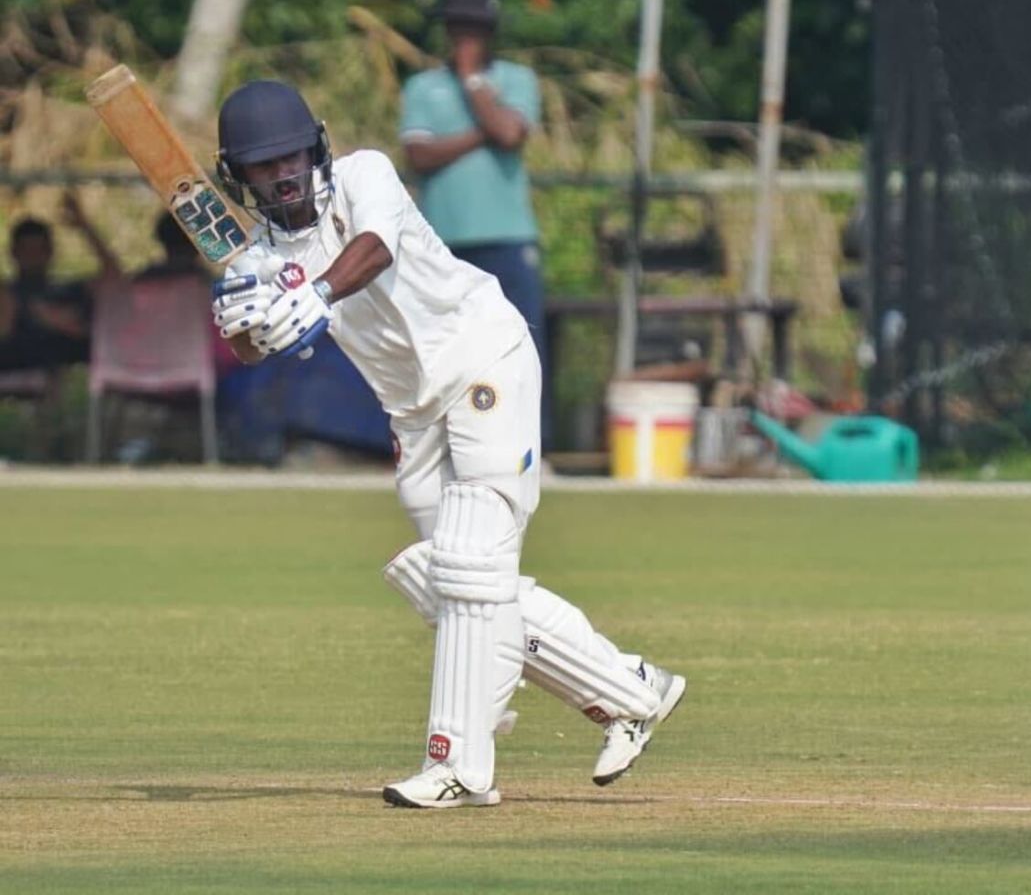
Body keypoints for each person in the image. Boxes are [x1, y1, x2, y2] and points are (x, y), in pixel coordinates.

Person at [210, 79, 685, 808]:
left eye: (292, 157)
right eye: (264, 166)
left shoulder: (365, 175)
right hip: (413, 411)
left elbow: (373, 249)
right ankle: (630, 688)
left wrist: (314, 295)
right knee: (457, 583)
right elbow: (250, 347)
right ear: (239, 176)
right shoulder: (258, 257)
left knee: (469, 565)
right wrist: (247, 322)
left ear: (316, 148)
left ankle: (458, 765)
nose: (283, 174)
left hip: (483, 358)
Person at [399, 0, 550, 443]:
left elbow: (510, 134)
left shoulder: (518, 79)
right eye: (460, 27)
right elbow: (418, 155)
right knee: (444, 351)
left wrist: (472, 81)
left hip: (508, 237)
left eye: (477, 29)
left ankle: (530, 444)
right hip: (442, 242)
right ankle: (444, 444)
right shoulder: (422, 87)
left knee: (521, 344)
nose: (467, 37)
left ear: (491, 32)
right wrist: (481, 132)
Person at [0, 192, 120, 372]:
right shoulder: (8, 294)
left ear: (50, 251)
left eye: (39, 250)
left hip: (73, 364)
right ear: (14, 253)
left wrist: (84, 227)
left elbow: (115, 280)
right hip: (18, 367)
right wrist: (30, 311)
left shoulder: (69, 289)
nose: (33, 256)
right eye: (27, 250)